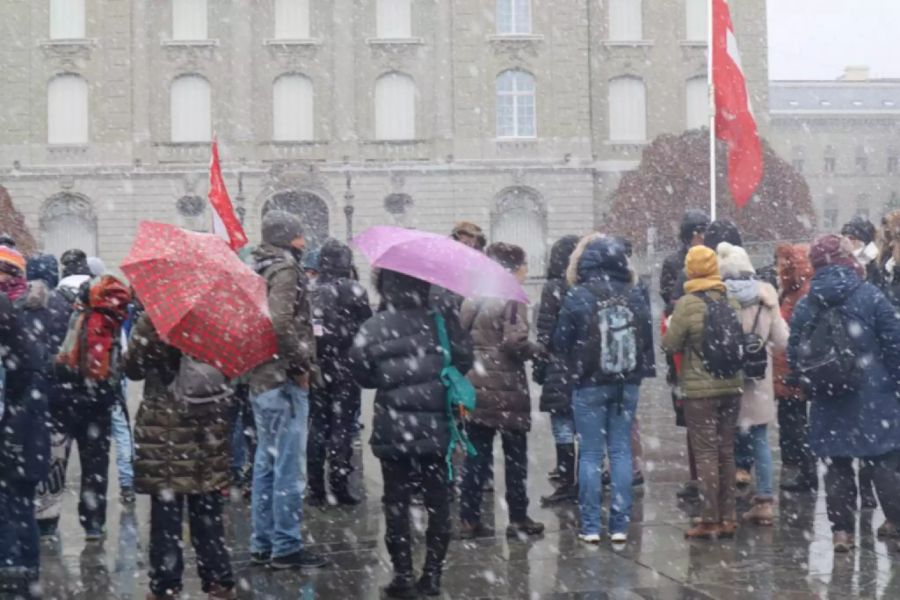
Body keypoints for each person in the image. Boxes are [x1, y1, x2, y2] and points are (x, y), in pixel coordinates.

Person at [349, 269, 473, 598]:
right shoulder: (442, 322)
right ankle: (432, 575)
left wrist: (391, 377)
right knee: (439, 500)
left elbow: (362, 374)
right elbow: (463, 361)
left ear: (384, 286)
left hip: (394, 426)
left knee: (396, 501)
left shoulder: (374, 326)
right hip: (437, 424)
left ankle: (402, 574)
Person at [788, 234, 900, 553]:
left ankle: (841, 533)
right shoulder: (869, 295)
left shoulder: (808, 303)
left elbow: (795, 352)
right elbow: (894, 342)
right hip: (873, 395)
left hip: (829, 396)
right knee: (883, 462)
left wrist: (810, 382)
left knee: (837, 466)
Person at [125, 313, 236, 599]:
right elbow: (231, 367)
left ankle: (165, 585)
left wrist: (150, 336)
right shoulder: (215, 318)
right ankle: (218, 581)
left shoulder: (156, 316)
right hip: (207, 422)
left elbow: (133, 369)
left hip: (165, 426)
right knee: (207, 505)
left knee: (166, 514)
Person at [553, 236, 655, 545]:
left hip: (589, 384)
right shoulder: (636, 294)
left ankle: (591, 525)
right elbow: (646, 342)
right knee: (621, 452)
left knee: (591, 455)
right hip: (626, 384)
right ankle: (621, 525)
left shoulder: (578, 295)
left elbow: (560, 342)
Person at [249, 211, 325, 570]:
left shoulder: (259, 266)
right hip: (282, 380)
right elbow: (278, 321)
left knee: (266, 461)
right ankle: (286, 544)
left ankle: (262, 541)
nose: (305, 241)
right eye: (300, 235)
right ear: (290, 237)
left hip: (262, 377)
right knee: (288, 466)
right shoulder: (286, 269)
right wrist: (300, 366)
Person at [458, 243, 545, 541]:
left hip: (476, 384)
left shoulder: (474, 295)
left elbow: (463, 334)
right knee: (515, 456)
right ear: (513, 268)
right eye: (524, 265)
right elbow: (514, 343)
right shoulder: (512, 296)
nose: (526, 271)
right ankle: (518, 518)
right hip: (507, 388)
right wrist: (536, 349)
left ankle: (468, 519)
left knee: (476, 456)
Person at [41, 274, 131, 541]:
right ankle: (93, 523)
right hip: (98, 402)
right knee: (95, 464)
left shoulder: (54, 308)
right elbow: (121, 359)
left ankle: (48, 520)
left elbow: (48, 357)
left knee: (57, 459)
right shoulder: (109, 315)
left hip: (61, 400)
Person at [662, 245, 743, 540]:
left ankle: (709, 519)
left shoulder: (687, 304)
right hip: (732, 385)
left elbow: (670, 344)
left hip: (700, 390)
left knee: (706, 453)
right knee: (727, 451)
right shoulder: (730, 300)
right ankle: (729, 517)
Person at [717, 242, 789, 526]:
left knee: (725, 439)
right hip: (758, 378)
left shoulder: (718, 297)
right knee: (760, 439)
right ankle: (764, 500)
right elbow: (783, 341)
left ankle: (724, 502)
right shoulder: (766, 296)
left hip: (728, 377)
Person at [307, 238, 372, 507]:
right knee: (343, 426)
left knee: (317, 425)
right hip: (346, 365)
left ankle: (315, 488)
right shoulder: (354, 289)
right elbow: (367, 327)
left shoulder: (312, 290)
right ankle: (339, 483)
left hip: (318, 364)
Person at [0, 268, 49, 597]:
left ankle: (11, 576)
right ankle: (27, 578)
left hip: (12, 438)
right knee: (22, 506)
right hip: (28, 435)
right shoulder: (25, 349)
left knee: (8, 507)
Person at [659, 209, 709, 500]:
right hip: (685, 352)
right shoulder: (675, 263)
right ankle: (697, 475)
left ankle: (705, 475)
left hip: (702, 350)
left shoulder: (711, 259)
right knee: (691, 418)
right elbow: (668, 305)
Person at [534, 235, 580, 506]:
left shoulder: (553, 287)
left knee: (563, 426)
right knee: (586, 428)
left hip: (559, 366)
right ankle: (586, 481)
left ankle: (566, 481)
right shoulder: (583, 285)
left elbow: (545, 330)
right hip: (583, 366)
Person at [87, 256, 137, 506]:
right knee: (121, 429)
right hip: (115, 379)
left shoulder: (85, 309)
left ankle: (93, 503)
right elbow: (126, 351)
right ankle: (127, 482)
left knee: (94, 443)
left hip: (90, 382)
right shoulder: (117, 313)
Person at [772, 244, 818, 494]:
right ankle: (801, 468)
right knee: (792, 421)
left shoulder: (800, 293)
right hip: (787, 367)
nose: (777, 267)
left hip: (793, 369)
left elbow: (797, 332)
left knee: (796, 422)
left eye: (781, 262)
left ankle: (806, 472)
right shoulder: (792, 291)